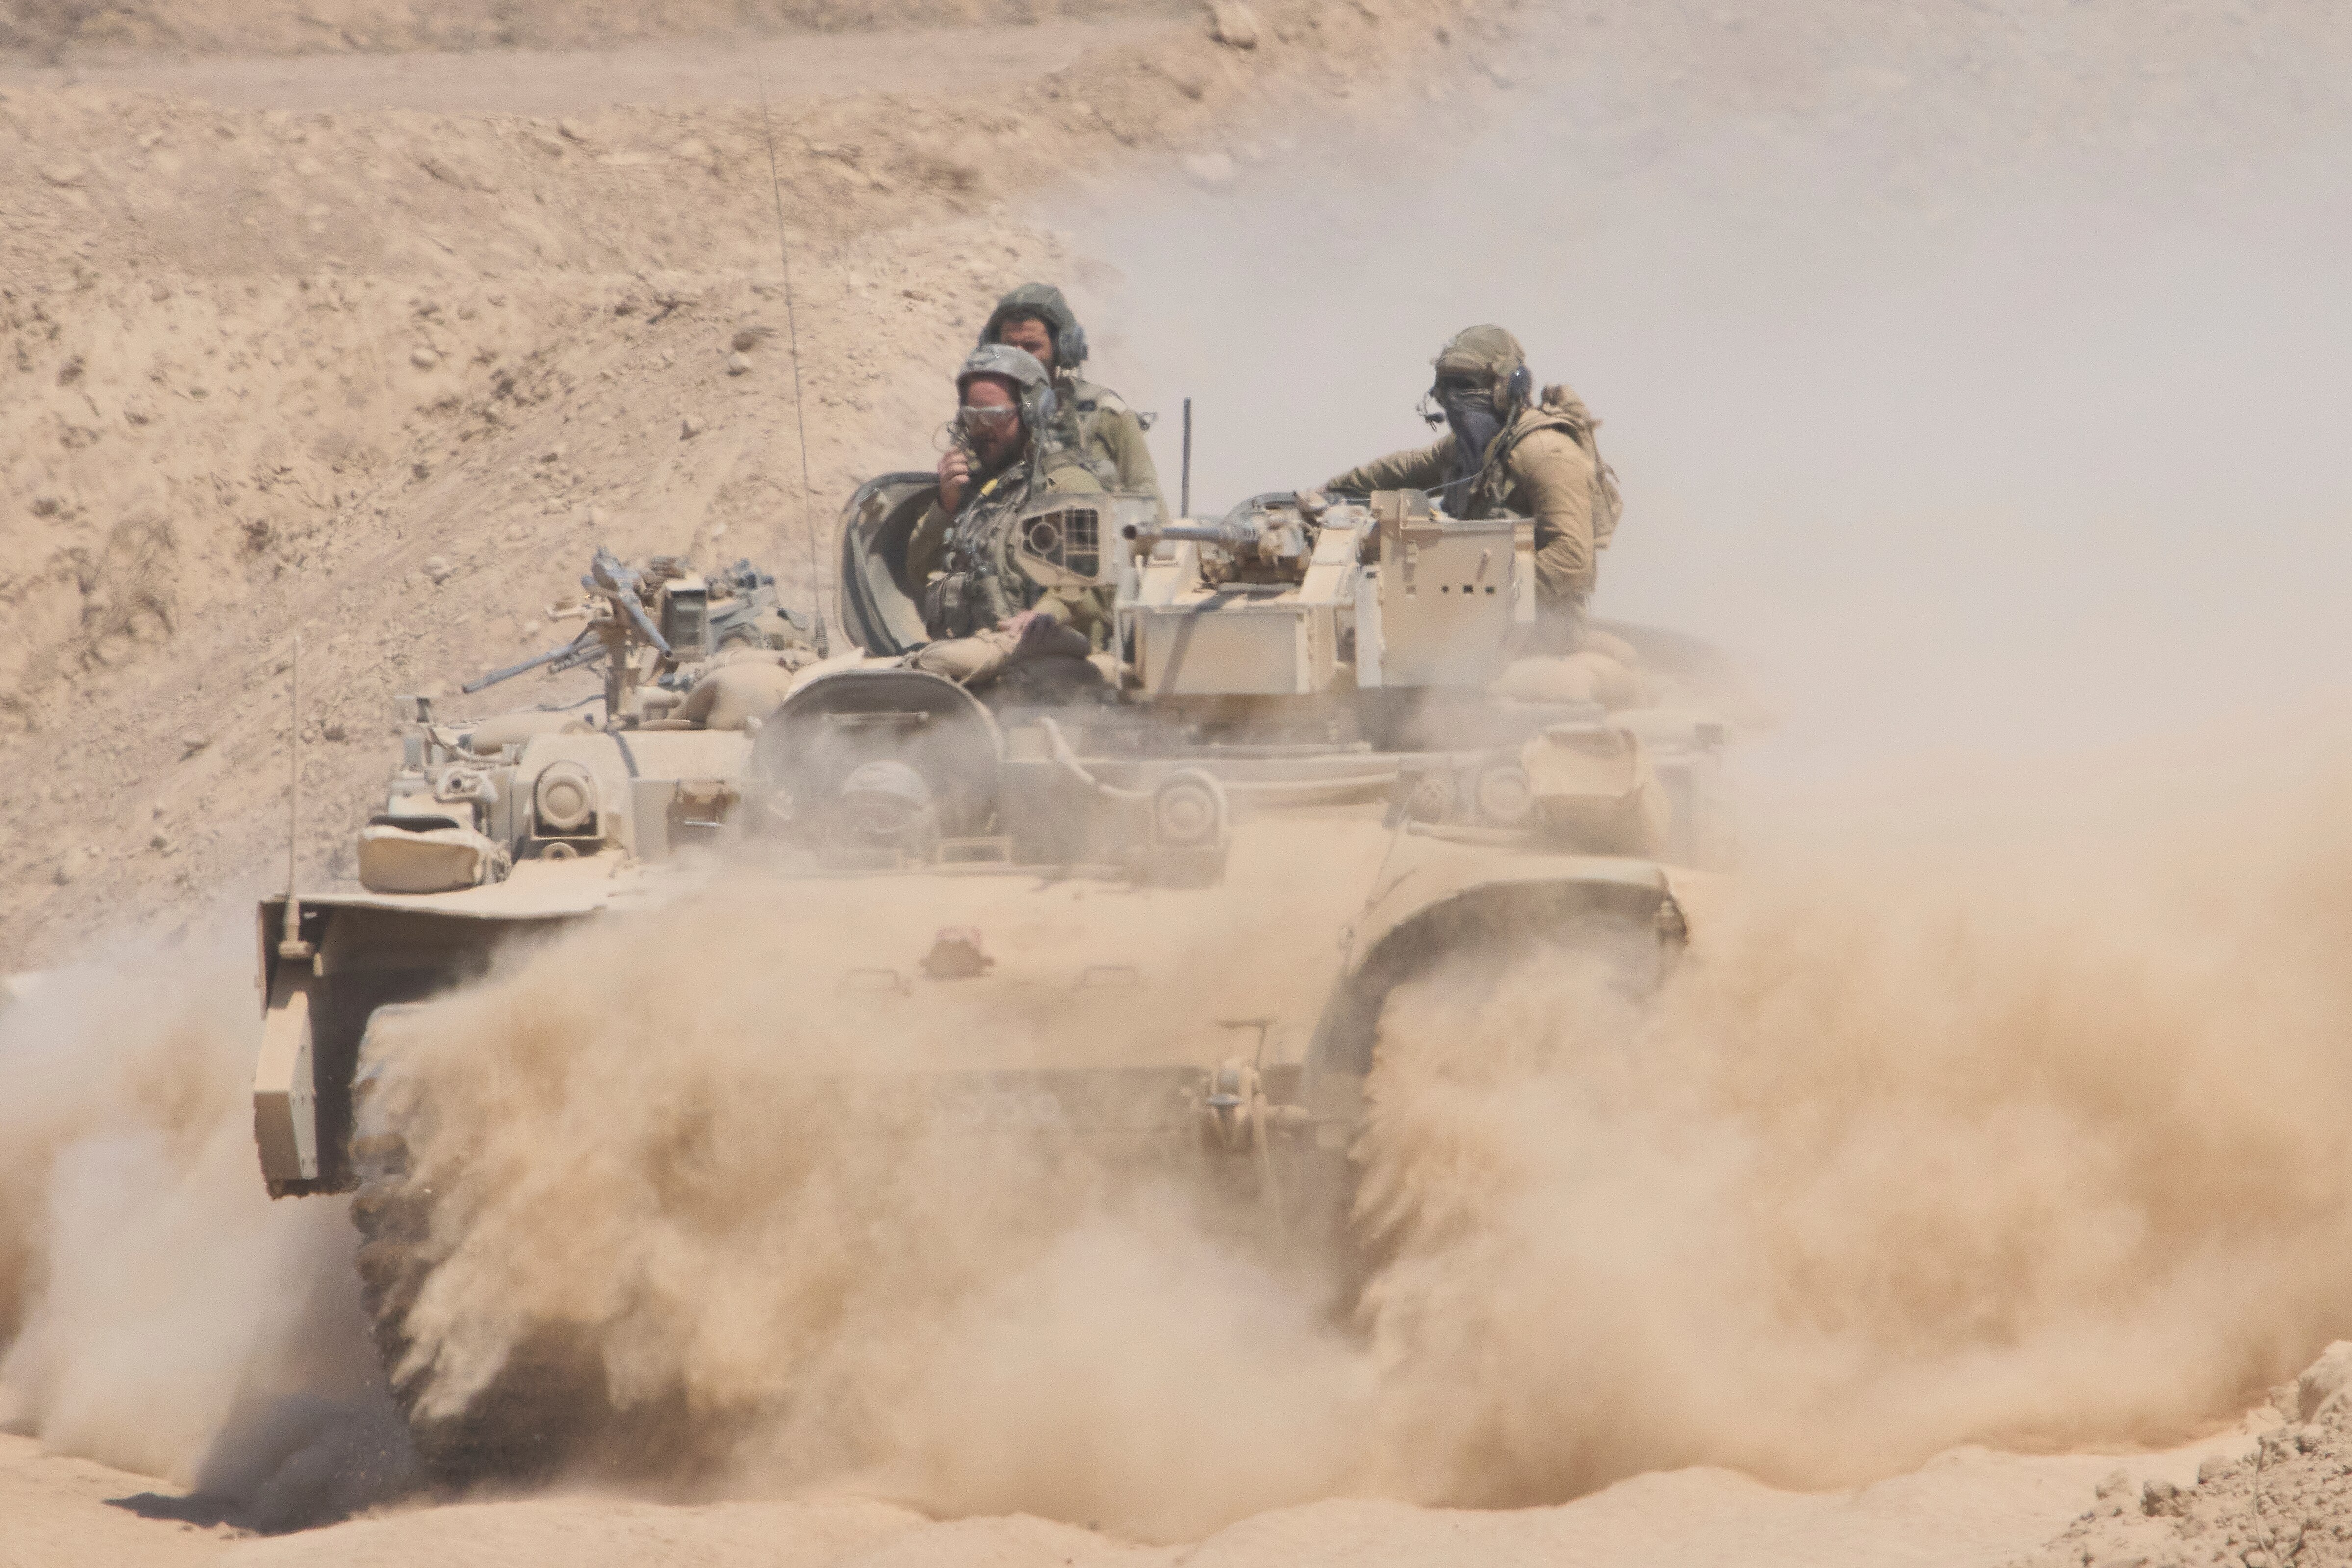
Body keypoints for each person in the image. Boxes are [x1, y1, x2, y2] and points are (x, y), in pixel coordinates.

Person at [1318, 325, 1618, 651]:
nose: (1455, 401)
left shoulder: (1547, 454)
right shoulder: (1472, 450)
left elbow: (1572, 557)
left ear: (1509, 389)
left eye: (1467, 386)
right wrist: (1326, 493)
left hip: (1539, 632)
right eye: (1447, 387)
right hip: (1469, 623)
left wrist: (1486, 599)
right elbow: (1402, 471)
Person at [905, 343, 1108, 690]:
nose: (982, 429)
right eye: (972, 417)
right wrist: (946, 505)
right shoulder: (972, 490)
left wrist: (1047, 612)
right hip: (974, 660)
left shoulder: (1067, 487)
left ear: (1033, 413)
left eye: (995, 416)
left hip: (1048, 661)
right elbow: (916, 570)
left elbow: (1090, 584)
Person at [978, 282, 1165, 519]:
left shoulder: (1105, 415)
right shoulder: (982, 417)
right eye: (1008, 348)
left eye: (1031, 347)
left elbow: (1150, 510)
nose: (1018, 358)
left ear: (1063, 349)